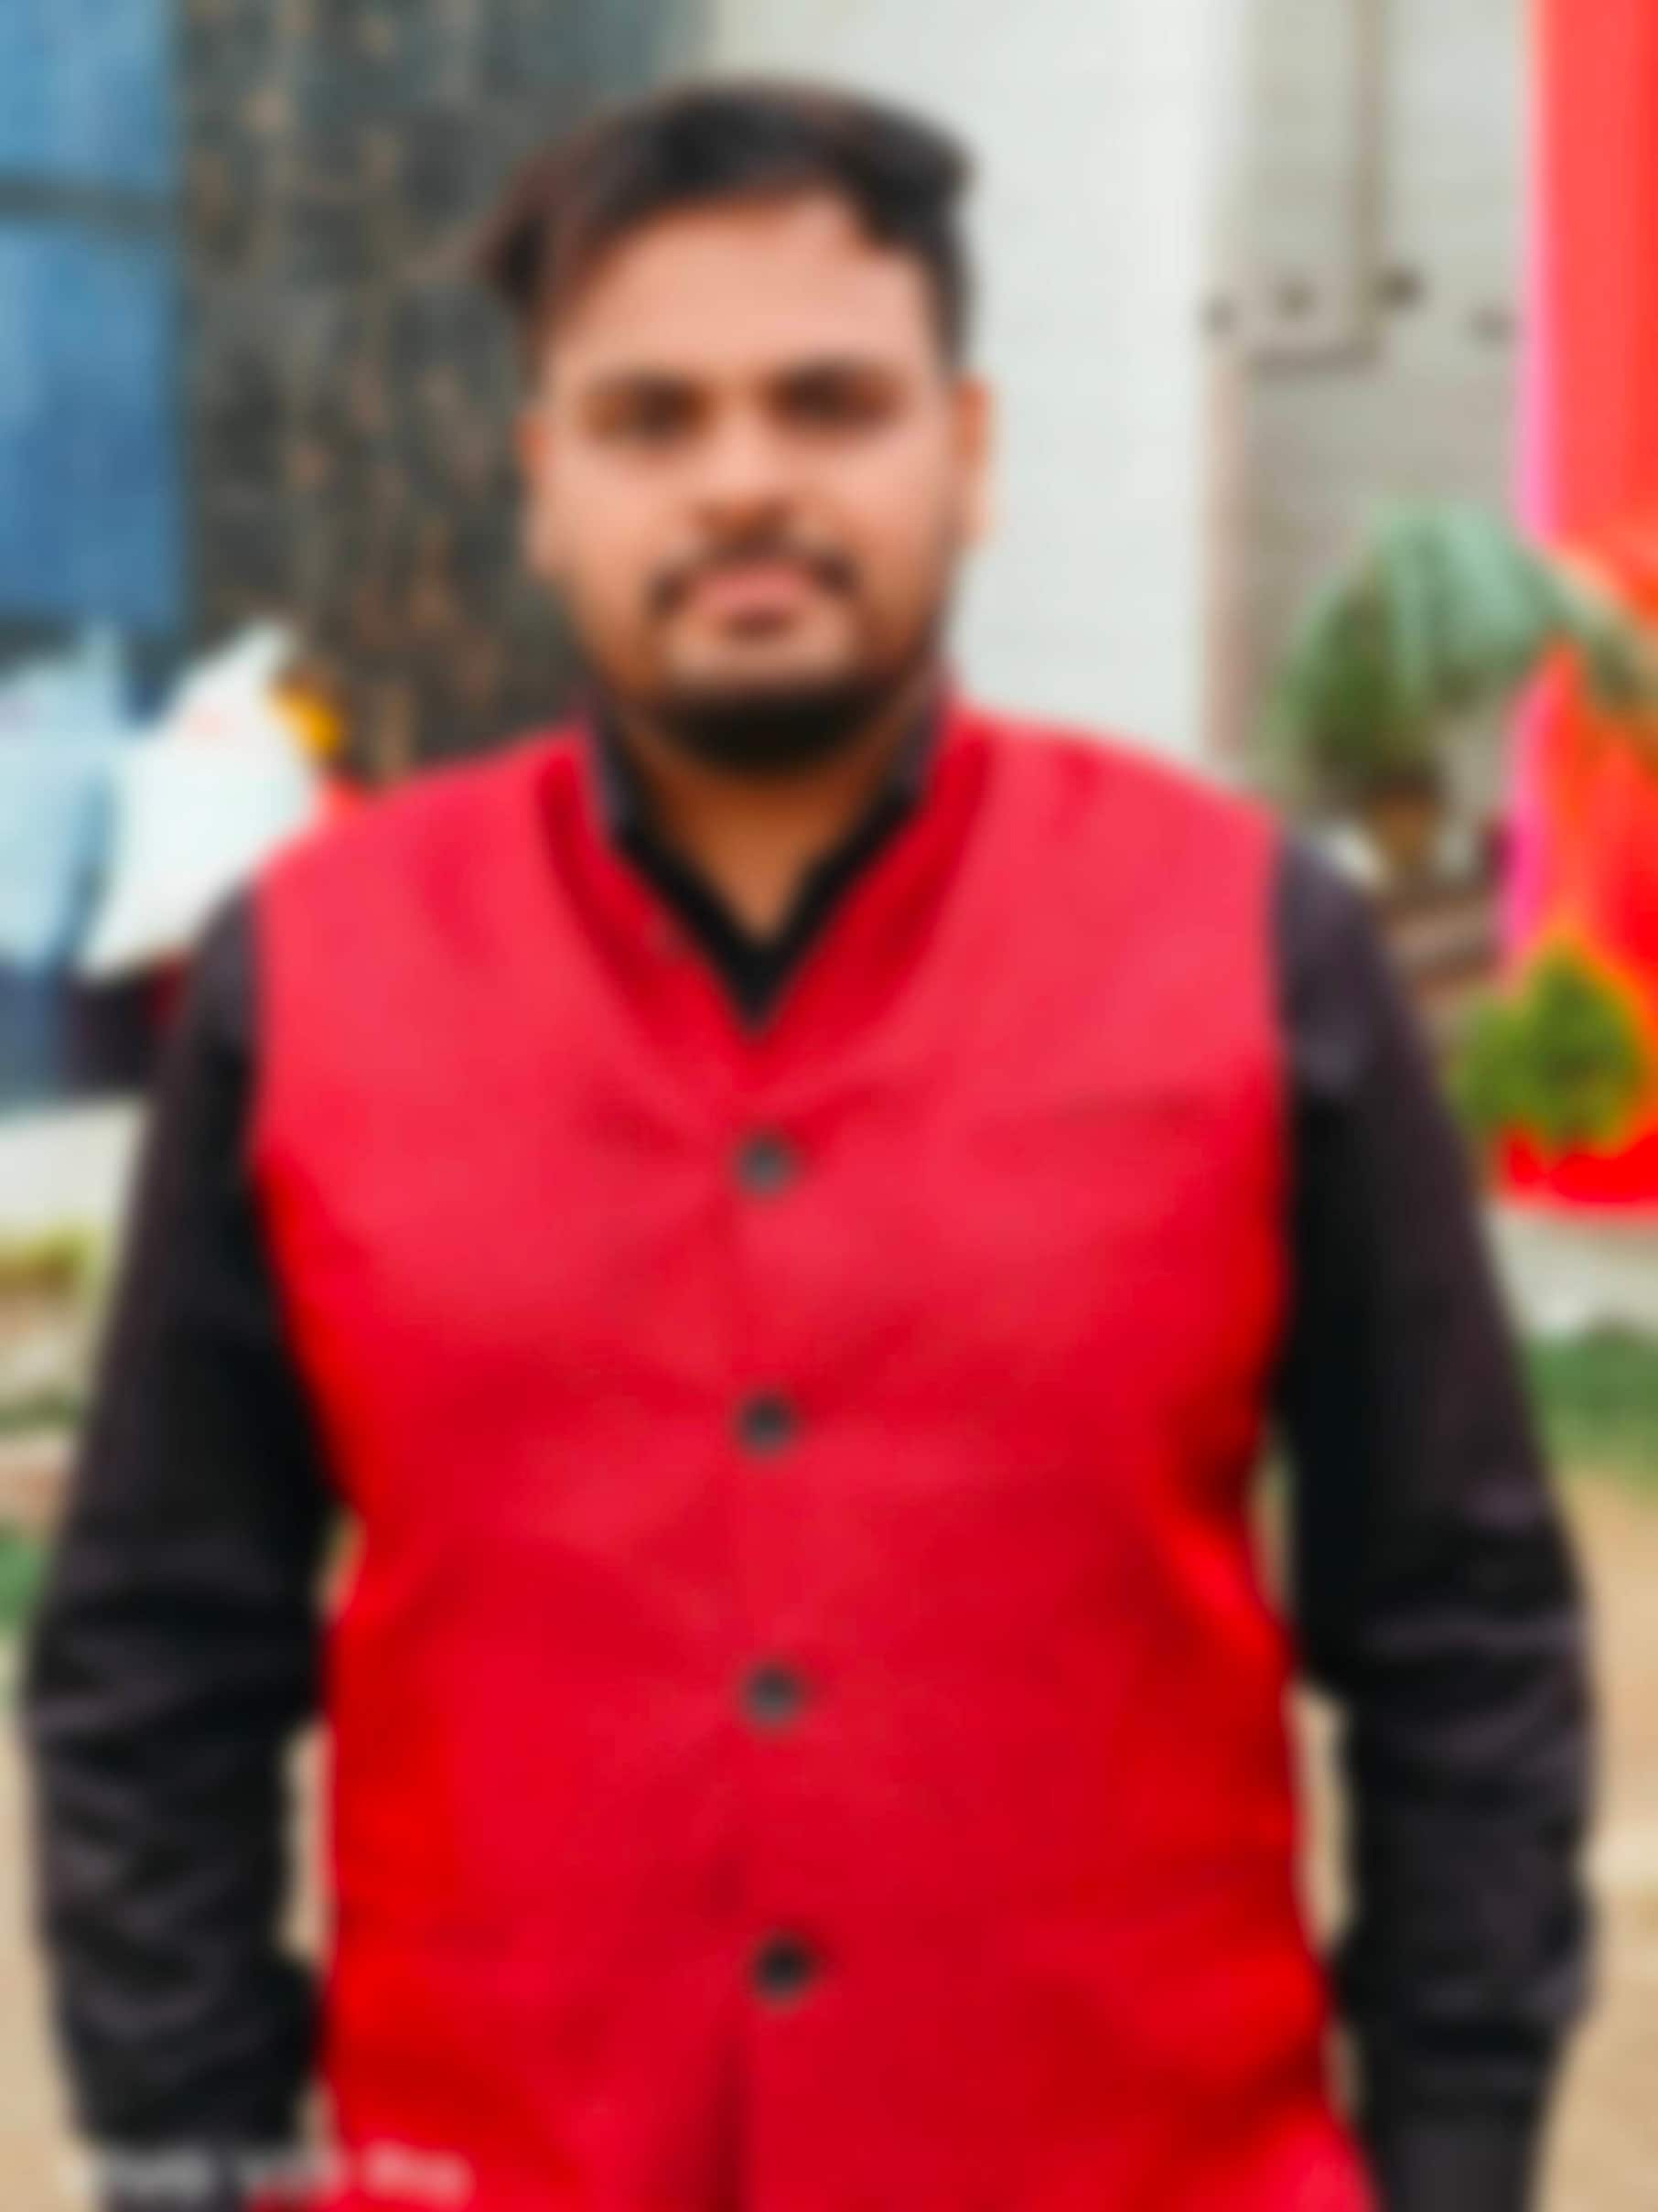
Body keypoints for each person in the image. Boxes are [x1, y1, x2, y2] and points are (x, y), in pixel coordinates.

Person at [20, 77, 1592, 2212]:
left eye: (830, 403)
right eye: (651, 419)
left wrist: (1459, 2148)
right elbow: (154, 1641)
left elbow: (1457, 1623)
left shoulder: (1253, 945)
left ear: (970, 451)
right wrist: (186, 2144)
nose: (744, 479)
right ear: (542, 486)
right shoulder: (307, 975)